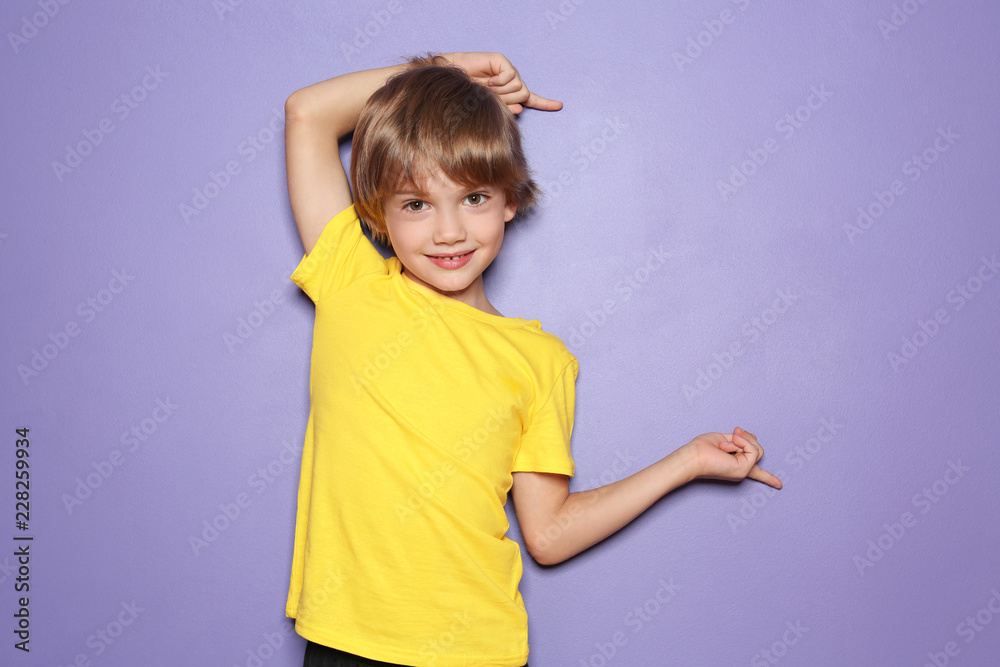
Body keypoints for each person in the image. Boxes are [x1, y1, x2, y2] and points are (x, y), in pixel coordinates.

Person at [283, 50, 782, 667]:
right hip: (347, 644)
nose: (447, 231)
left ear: (510, 201)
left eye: (472, 199)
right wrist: (449, 72)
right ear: (377, 213)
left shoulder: (540, 360)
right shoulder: (352, 285)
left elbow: (547, 534)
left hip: (476, 650)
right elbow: (306, 112)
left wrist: (687, 462)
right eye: (415, 204)